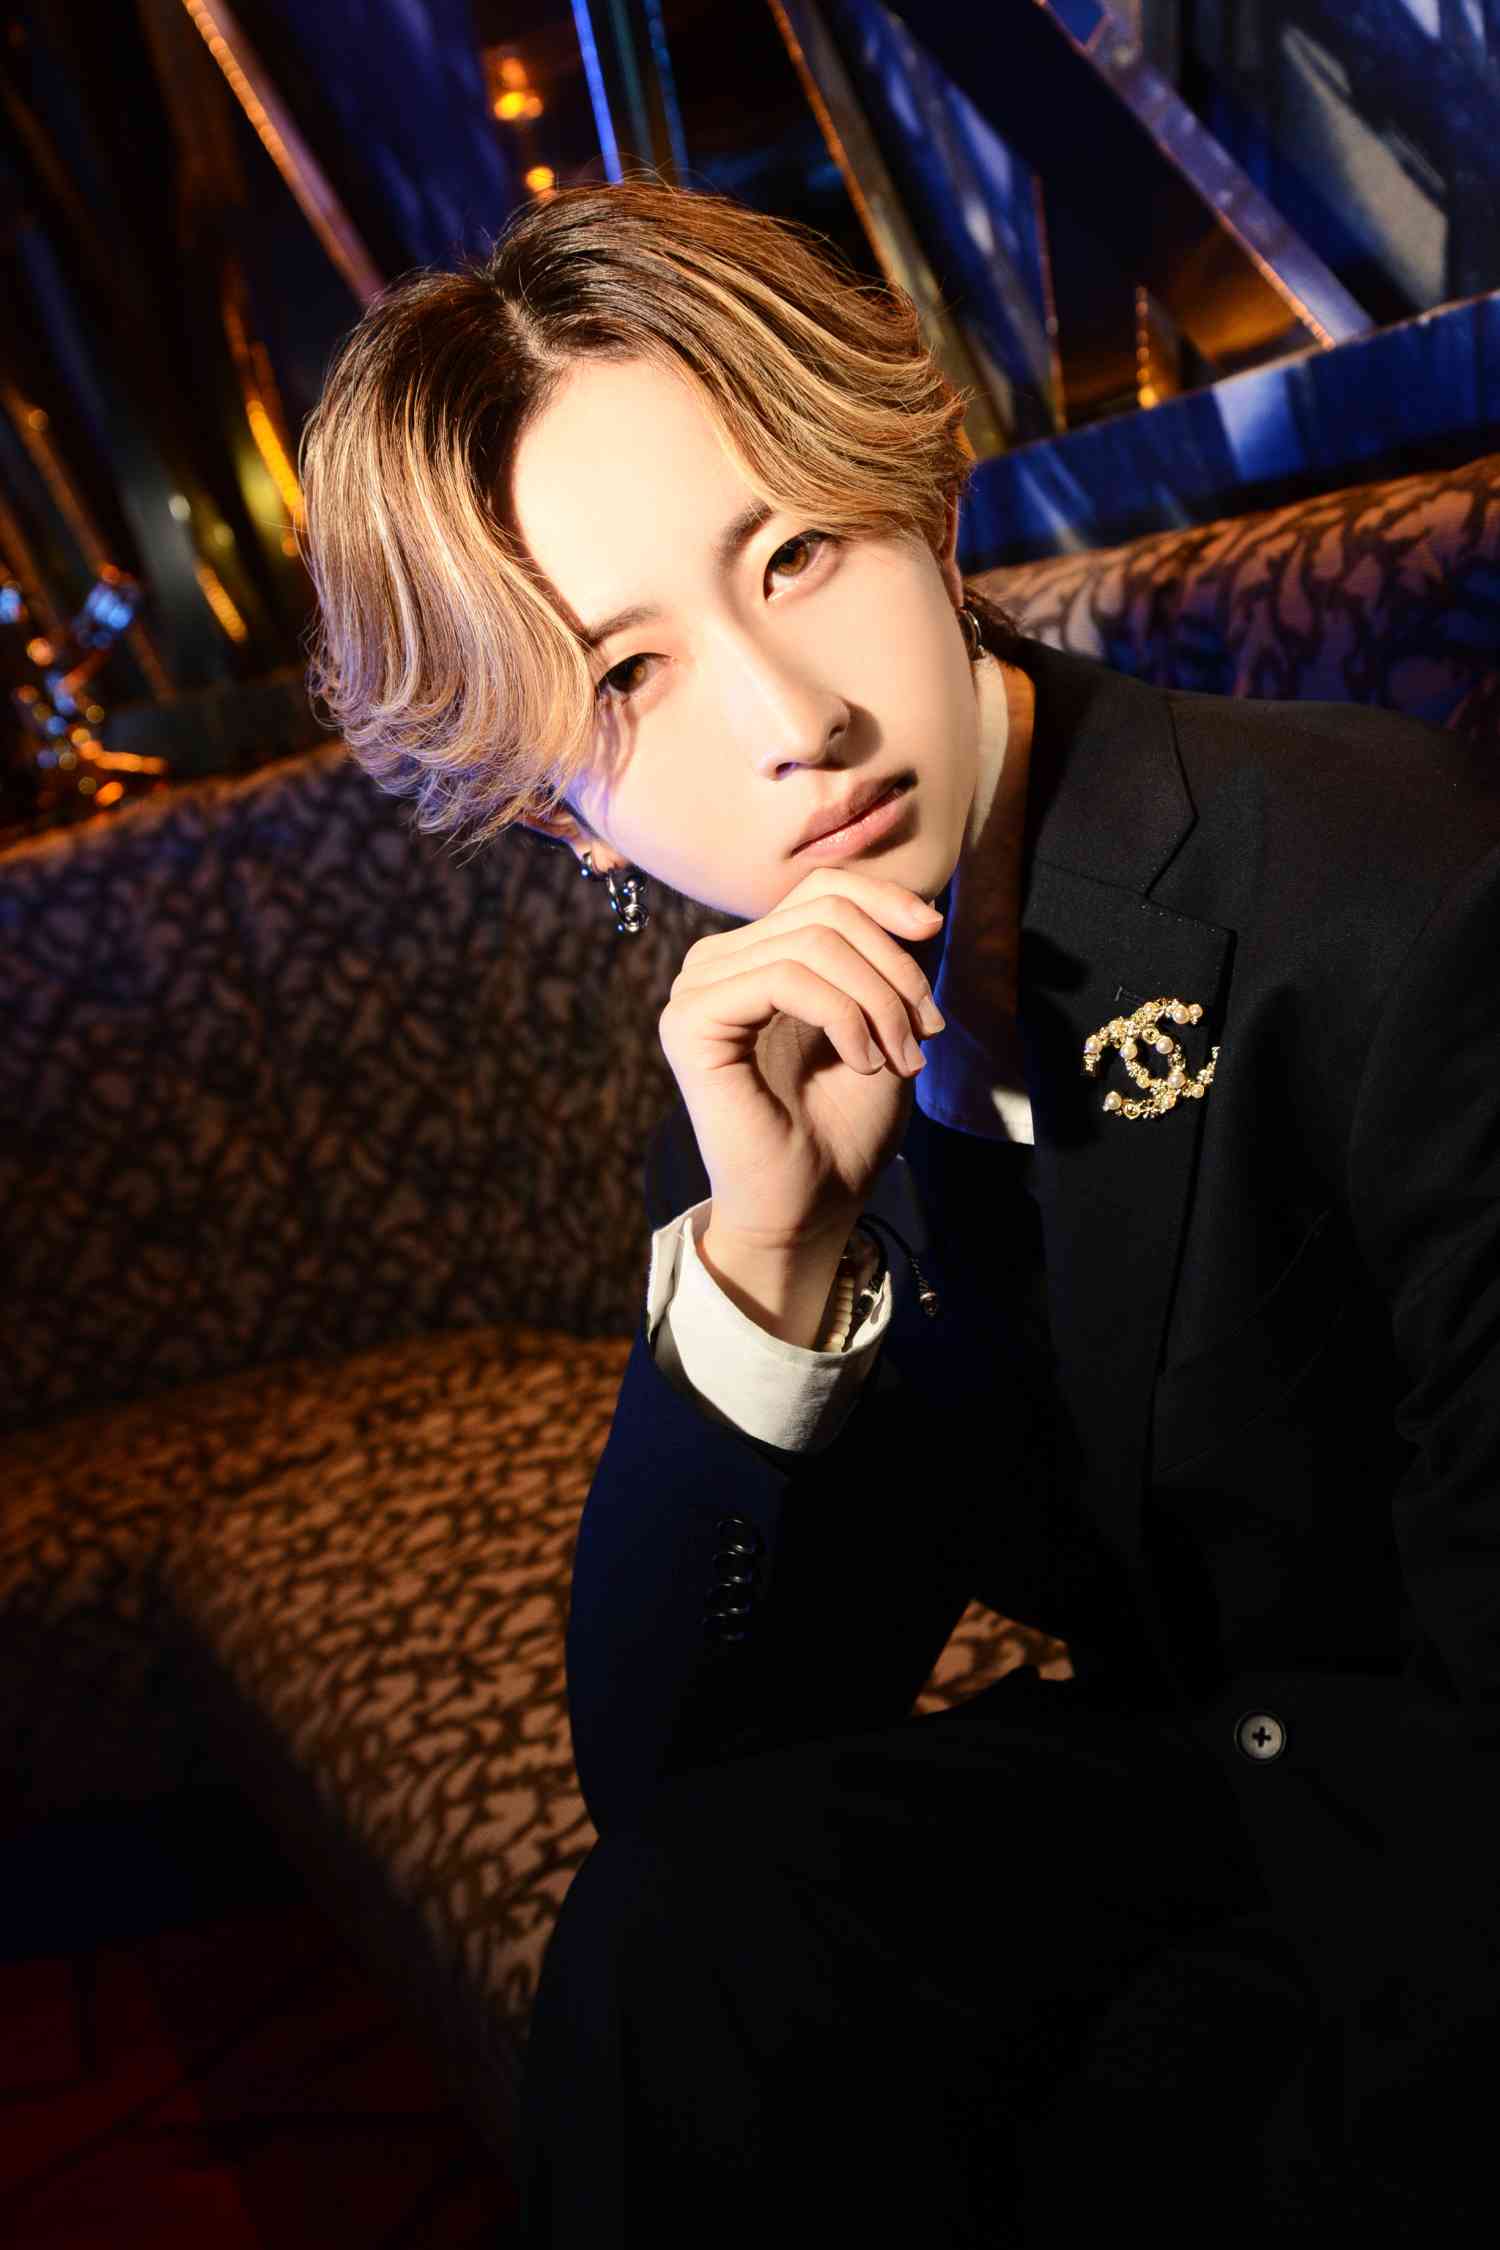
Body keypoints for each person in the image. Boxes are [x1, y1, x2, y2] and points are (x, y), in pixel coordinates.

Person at [297, 177, 1500, 2243]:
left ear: (925, 511)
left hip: (1440, 1816)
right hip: (1205, 1785)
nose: (795, 726)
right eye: (626, 677)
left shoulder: (1396, 892)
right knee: (684, 1954)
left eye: (796, 553)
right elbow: (700, 1785)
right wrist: (766, 1261)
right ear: (557, 813)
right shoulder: (769, 1027)